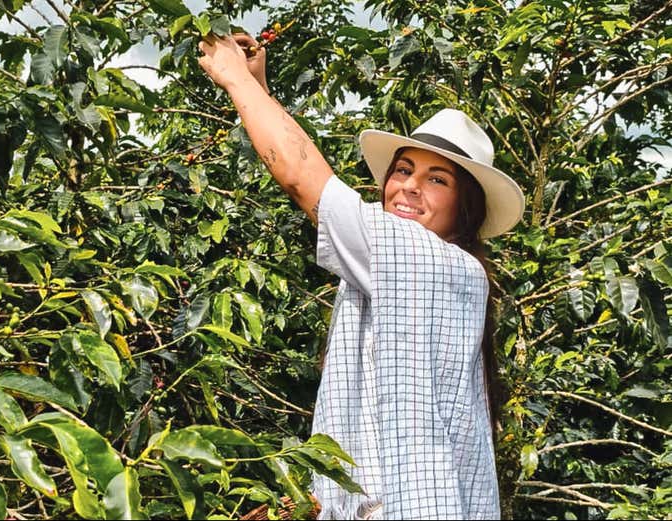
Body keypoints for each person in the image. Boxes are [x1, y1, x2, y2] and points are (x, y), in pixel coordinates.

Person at [198, 32, 525, 520]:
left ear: (466, 208)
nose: (409, 188)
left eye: (437, 180)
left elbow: (299, 175)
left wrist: (236, 80)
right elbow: (377, 430)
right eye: (403, 171)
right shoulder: (439, 275)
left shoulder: (425, 257)